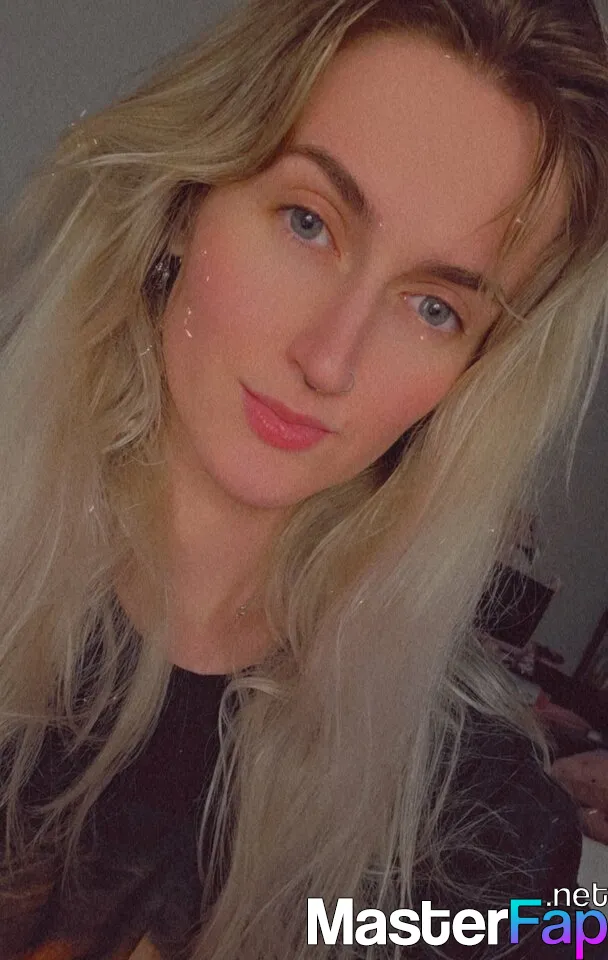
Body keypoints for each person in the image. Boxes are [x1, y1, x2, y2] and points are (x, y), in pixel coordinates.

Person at [1, 0, 607, 957]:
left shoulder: (491, 834)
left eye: (434, 308)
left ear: (473, 380)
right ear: (184, 205)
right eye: (308, 222)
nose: (330, 359)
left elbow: (571, 932)